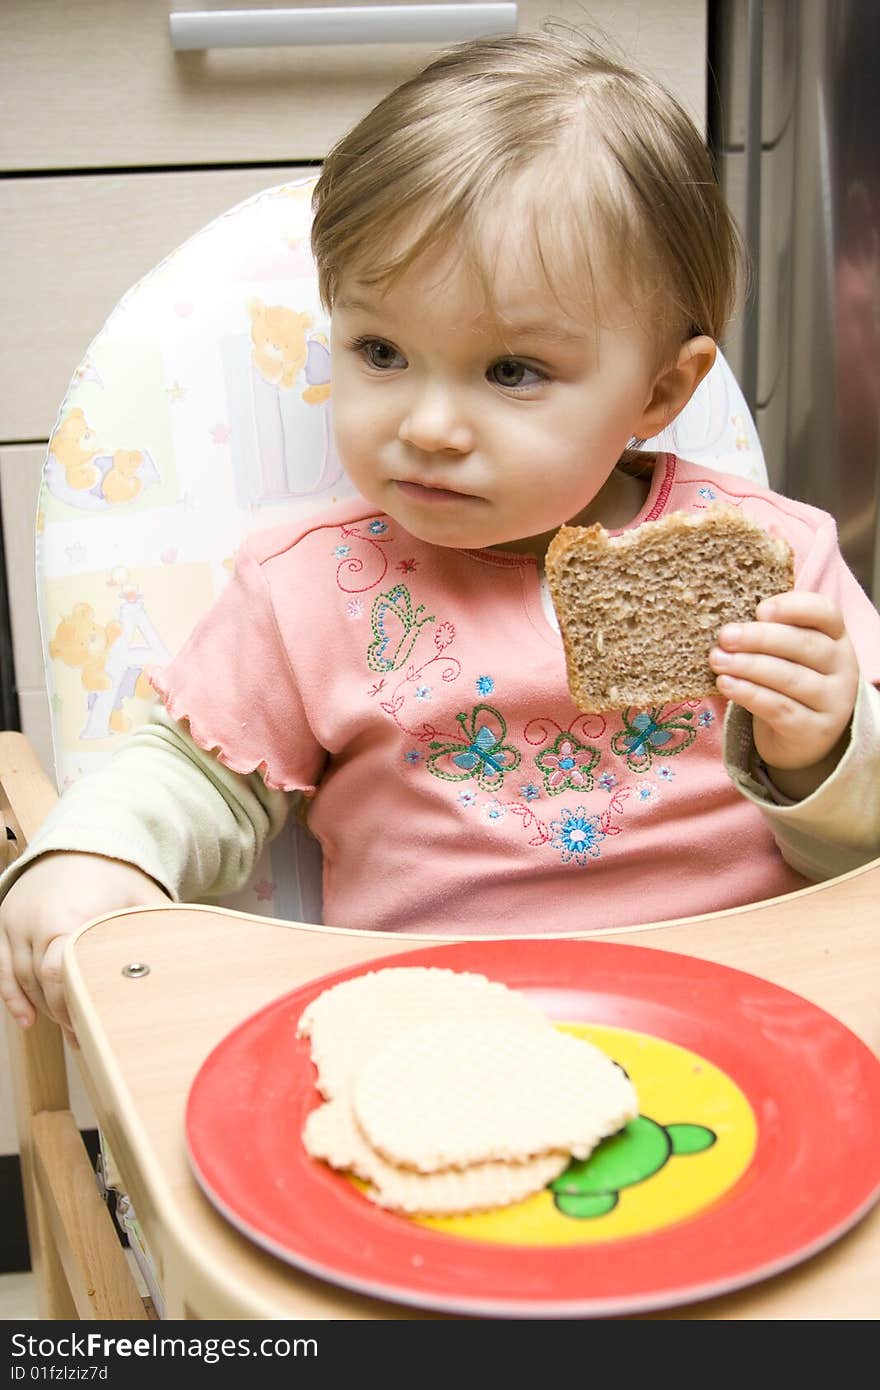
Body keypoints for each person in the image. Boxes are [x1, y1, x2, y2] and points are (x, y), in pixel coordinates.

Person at [2, 30, 879, 1046]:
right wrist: (97, 855)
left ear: (659, 390)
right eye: (381, 351)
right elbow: (192, 773)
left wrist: (822, 750)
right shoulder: (313, 590)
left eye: (511, 371)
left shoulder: (778, 570)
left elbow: (857, 856)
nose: (426, 425)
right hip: (432, 1036)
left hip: (742, 1025)